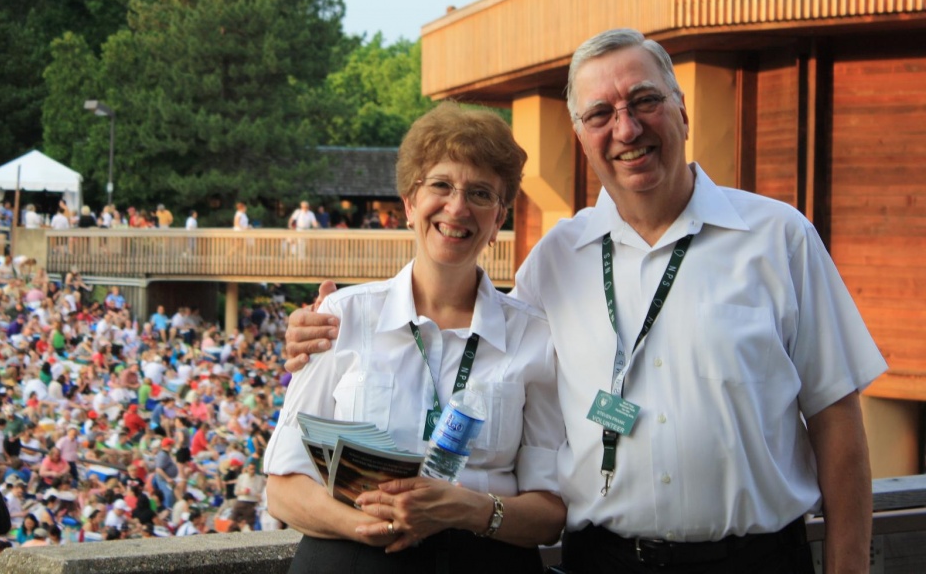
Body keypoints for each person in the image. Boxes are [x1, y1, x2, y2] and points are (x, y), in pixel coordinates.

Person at [285, 28, 887, 574]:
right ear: (581, 137)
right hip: (605, 562)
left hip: (754, 562)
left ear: (682, 110)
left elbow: (837, 420)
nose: (626, 128)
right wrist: (312, 333)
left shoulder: (778, 238)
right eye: (601, 113)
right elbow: (470, 331)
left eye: (644, 101)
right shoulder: (555, 261)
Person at [265, 102, 565, 573]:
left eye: (481, 193)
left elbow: (550, 514)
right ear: (409, 203)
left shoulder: (535, 338)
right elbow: (282, 486)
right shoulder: (341, 317)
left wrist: (465, 509)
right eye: (441, 185)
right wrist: (373, 527)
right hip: (351, 559)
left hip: (482, 560)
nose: (458, 207)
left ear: (499, 219)